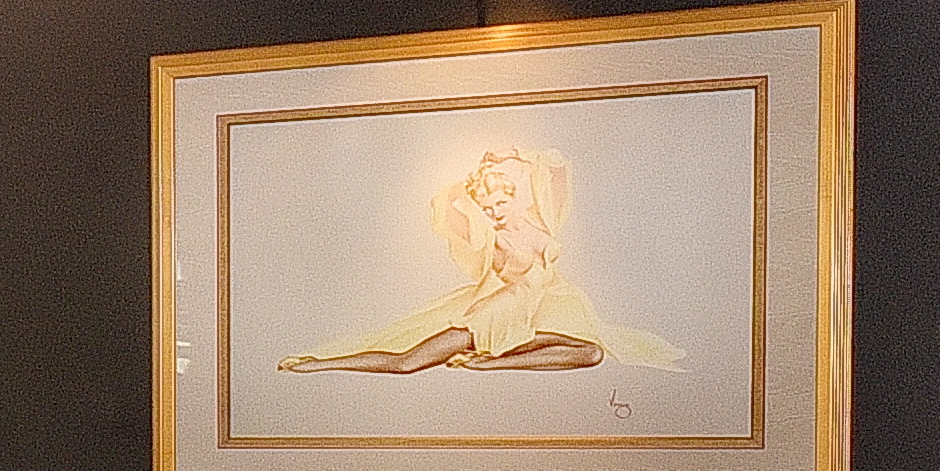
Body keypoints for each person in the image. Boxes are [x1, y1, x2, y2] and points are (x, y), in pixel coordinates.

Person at [276, 140, 679, 374]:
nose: (494, 212)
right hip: (497, 311)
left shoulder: (544, 221)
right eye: (486, 208)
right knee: (408, 362)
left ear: (517, 195)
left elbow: (555, 166)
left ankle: (492, 361)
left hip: (543, 308)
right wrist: (476, 193)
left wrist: (505, 156)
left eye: (500, 203)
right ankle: (320, 364)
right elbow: (449, 206)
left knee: (591, 352)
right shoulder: (493, 240)